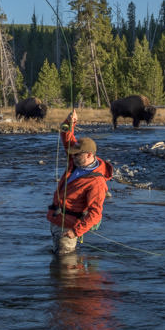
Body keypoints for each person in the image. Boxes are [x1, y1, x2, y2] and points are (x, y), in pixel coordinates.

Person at [47, 109, 113, 255]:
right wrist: (71, 121)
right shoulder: (75, 160)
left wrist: (75, 232)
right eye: (73, 154)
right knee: (59, 267)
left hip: (69, 228)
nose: (73, 156)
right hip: (57, 221)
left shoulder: (97, 182)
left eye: (77, 155)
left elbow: (95, 214)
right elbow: (65, 134)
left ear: (89, 155)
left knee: (66, 268)